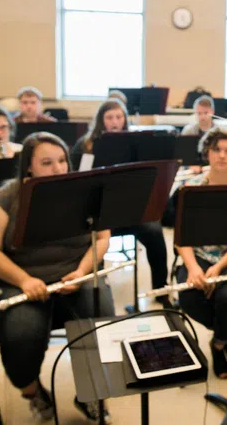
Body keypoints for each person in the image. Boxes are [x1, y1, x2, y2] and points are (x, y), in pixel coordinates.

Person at [0, 132, 113, 421]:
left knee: (101, 315)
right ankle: (32, 391)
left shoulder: (84, 191)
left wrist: (80, 272)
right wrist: (24, 280)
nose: (58, 169)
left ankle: (91, 392)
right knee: (22, 332)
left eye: (63, 160)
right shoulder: (7, 196)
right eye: (47, 162)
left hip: (74, 277)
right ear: (29, 166)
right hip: (18, 282)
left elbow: (102, 239)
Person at [174, 127, 227, 379]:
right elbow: (180, 237)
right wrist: (194, 268)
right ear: (206, 153)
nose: (222, 155)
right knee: (189, 299)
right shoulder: (191, 187)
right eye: (216, 150)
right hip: (196, 256)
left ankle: (218, 345)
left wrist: (219, 267)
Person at [70, 99, 170, 300]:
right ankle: (97, 289)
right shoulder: (87, 145)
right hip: (100, 212)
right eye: (109, 117)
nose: (114, 122)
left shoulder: (136, 142)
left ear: (125, 119)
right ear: (101, 120)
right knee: (95, 240)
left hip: (131, 209)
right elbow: (81, 178)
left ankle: (161, 289)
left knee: (155, 232)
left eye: (118, 117)